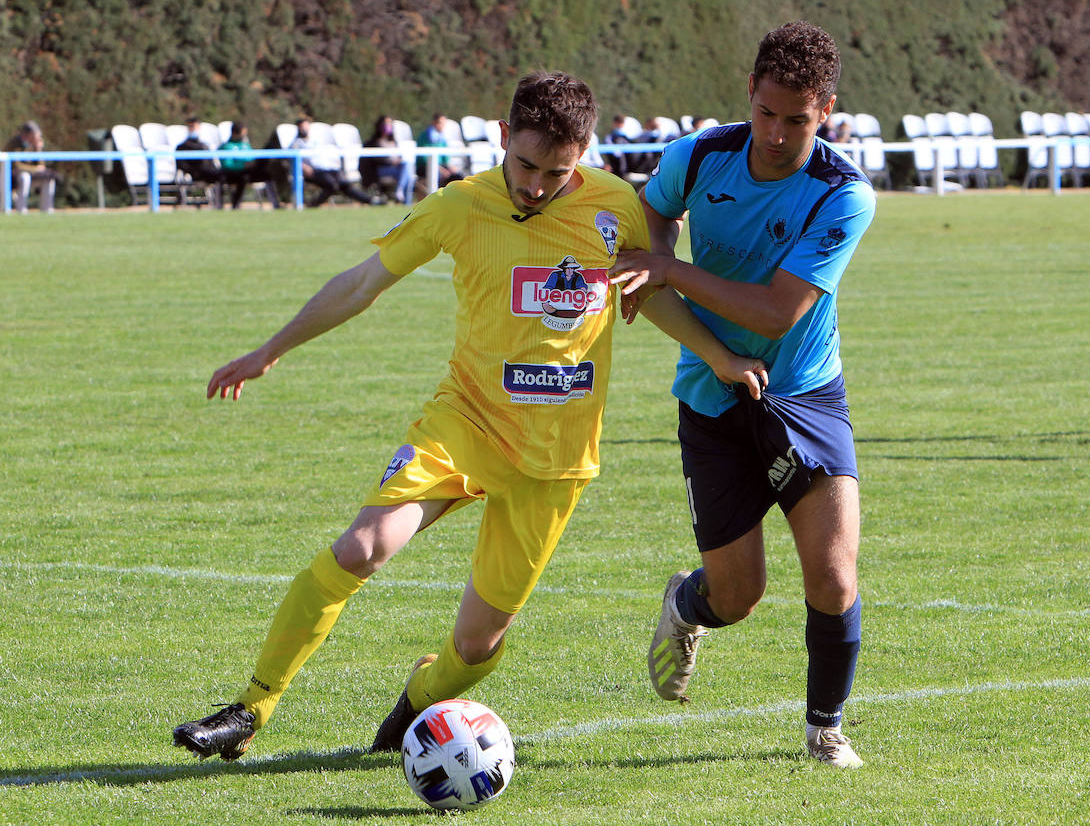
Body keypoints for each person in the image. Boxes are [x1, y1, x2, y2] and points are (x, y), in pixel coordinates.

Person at [171, 71, 765, 761]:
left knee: (477, 646)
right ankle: (253, 705)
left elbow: (649, 292)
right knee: (359, 549)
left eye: (556, 171)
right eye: (526, 165)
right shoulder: (459, 206)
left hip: (555, 460)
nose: (537, 185)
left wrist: (718, 356)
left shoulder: (617, 207)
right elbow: (362, 283)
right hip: (466, 425)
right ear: (502, 136)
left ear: (586, 152)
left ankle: (424, 698)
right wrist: (270, 349)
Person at [611, 21, 876, 769]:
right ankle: (685, 607)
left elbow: (772, 311)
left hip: (803, 396)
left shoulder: (842, 193)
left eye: (798, 118)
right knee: (738, 597)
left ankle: (825, 725)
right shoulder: (697, 156)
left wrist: (668, 274)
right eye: (767, 113)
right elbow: (652, 210)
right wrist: (657, 255)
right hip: (711, 396)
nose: (779, 133)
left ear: (827, 109)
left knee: (833, 573)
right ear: (748, 96)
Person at [290, 117, 377, 207]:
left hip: (329, 168)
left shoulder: (316, 141)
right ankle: (313, 204)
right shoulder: (296, 143)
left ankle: (370, 200)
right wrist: (304, 167)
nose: (305, 129)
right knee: (332, 185)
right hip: (314, 172)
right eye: (302, 127)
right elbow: (291, 159)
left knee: (344, 184)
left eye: (306, 126)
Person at [218, 122, 281, 210]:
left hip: (250, 170)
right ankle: (235, 206)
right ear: (235, 133)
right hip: (234, 174)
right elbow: (227, 165)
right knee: (244, 177)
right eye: (242, 134)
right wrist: (243, 165)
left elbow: (251, 158)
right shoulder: (226, 147)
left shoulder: (245, 145)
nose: (244, 136)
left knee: (267, 174)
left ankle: (276, 205)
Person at [5, 121, 60, 213]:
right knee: (24, 177)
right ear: (26, 134)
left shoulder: (33, 145)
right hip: (10, 176)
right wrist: (34, 169)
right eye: (34, 136)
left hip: (30, 174)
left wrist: (38, 149)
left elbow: (41, 165)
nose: (36, 138)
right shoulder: (15, 143)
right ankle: (21, 210)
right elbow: (16, 165)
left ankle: (47, 210)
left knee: (49, 178)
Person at [361, 114, 416, 204]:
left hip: (397, 169)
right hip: (379, 170)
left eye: (390, 124)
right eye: (385, 124)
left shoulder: (393, 141)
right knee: (407, 170)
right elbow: (374, 159)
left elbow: (399, 156)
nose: (388, 126)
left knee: (408, 170)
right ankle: (401, 194)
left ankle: (403, 196)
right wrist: (390, 162)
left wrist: (397, 161)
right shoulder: (373, 142)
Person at [175, 117, 225, 207]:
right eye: (191, 127)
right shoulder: (181, 147)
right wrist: (193, 171)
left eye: (196, 127)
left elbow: (211, 162)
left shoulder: (204, 145)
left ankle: (219, 206)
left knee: (221, 175)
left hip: (207, 172)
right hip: (194, 174)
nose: (194, 129)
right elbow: (181, 165)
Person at [416, 113, 461, 188]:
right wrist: (441, 170)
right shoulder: (424, 137)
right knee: (437, 174)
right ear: (434, 122)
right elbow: (425, 159)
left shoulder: (442, 138)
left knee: (457, 176)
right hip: (425, 167)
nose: (442, 125)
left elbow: (445, 158)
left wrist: (451, 168)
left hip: (440, 167)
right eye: (440, 123)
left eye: (444, 123)